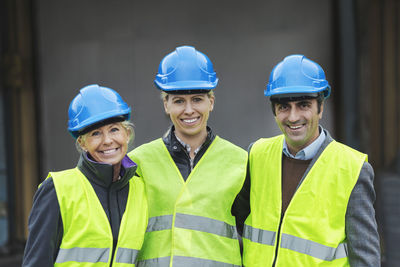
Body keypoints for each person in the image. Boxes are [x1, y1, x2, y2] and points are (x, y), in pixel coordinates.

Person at [235, 55, 380, 266]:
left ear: (320, 108)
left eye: (303, 105)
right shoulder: (257, 154)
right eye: (284, 106)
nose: (293, 117)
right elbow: (239, 222)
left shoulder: (352, 168)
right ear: (274, 111)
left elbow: (365, 257)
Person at [128, 45, 247, 266]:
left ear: (211, 102)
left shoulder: (240, 162)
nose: (189, 110)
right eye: (179, 100)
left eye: (197, 99)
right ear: (166, 105)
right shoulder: (139, 162)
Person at [22, 84, 148, 266]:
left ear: (127, 134)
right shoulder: (58, 189)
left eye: (114, 129)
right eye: (96, 133)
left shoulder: (140, 189)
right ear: (82, 143)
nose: (107, 141)